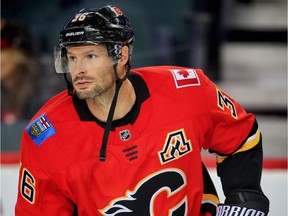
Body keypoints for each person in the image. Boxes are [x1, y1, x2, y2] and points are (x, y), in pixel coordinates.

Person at [15, 5, 269, 215]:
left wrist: (244, 196)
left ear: (121, 54)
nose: (78, 68)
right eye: (72, 57)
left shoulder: (186, 90)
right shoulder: (45, 136)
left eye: (90, 56)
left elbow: (241, 135)